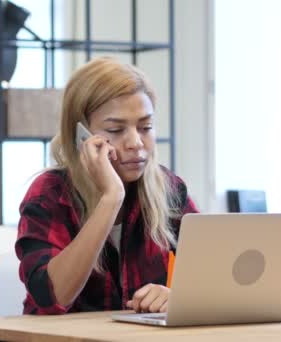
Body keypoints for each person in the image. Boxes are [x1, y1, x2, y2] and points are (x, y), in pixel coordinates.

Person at [15, 57, 198, 315]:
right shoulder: (50, 194)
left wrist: (177, 296)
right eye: (115, 129)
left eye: (145, 127)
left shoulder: (169, 189)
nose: (135, 142)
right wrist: (111, 198)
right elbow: (54, 296)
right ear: (80, 136)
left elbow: (213, 279)